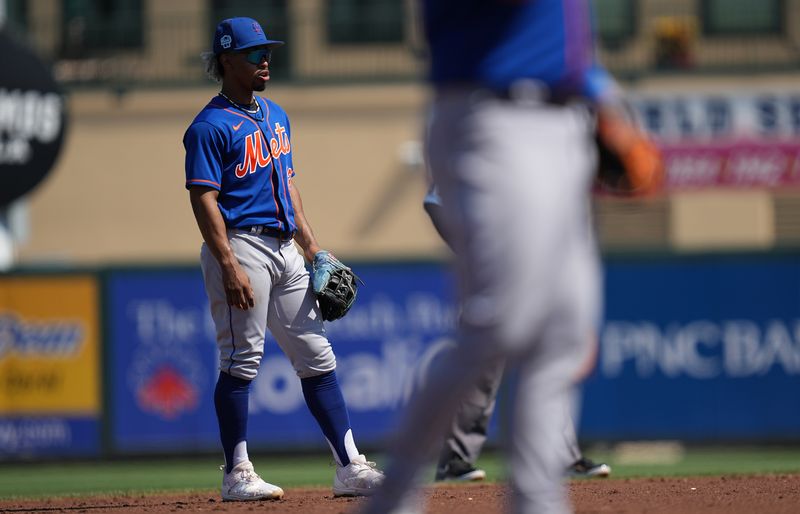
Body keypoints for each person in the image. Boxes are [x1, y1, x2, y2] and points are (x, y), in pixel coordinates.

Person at [362, 1, 624, 512]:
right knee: (501, 324)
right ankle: (392, 497)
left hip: (564, 117)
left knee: (564, 330)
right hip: (496, 116)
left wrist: (602, 94)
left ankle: (538, 501)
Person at [183, 17, 383, 502]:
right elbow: (203, 199)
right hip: (240, 243)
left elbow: (289, 189)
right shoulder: (209, 126)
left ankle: (349, 466)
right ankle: (237, 472)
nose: (265, 60)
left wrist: (313, 249)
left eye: (267, 51)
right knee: (241, 360)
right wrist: (227, 262)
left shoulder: (275, 115)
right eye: (254, 54)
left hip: (285, 246)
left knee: (318, 356)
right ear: (227, 60)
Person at [424, 186, 611, 483]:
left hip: (540, 278)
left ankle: (561, 456)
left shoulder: (550, 157)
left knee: (547, 370)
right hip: (492, 282)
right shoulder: (484, 151)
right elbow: (435, 200)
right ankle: (454, 461)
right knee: (480, 375)